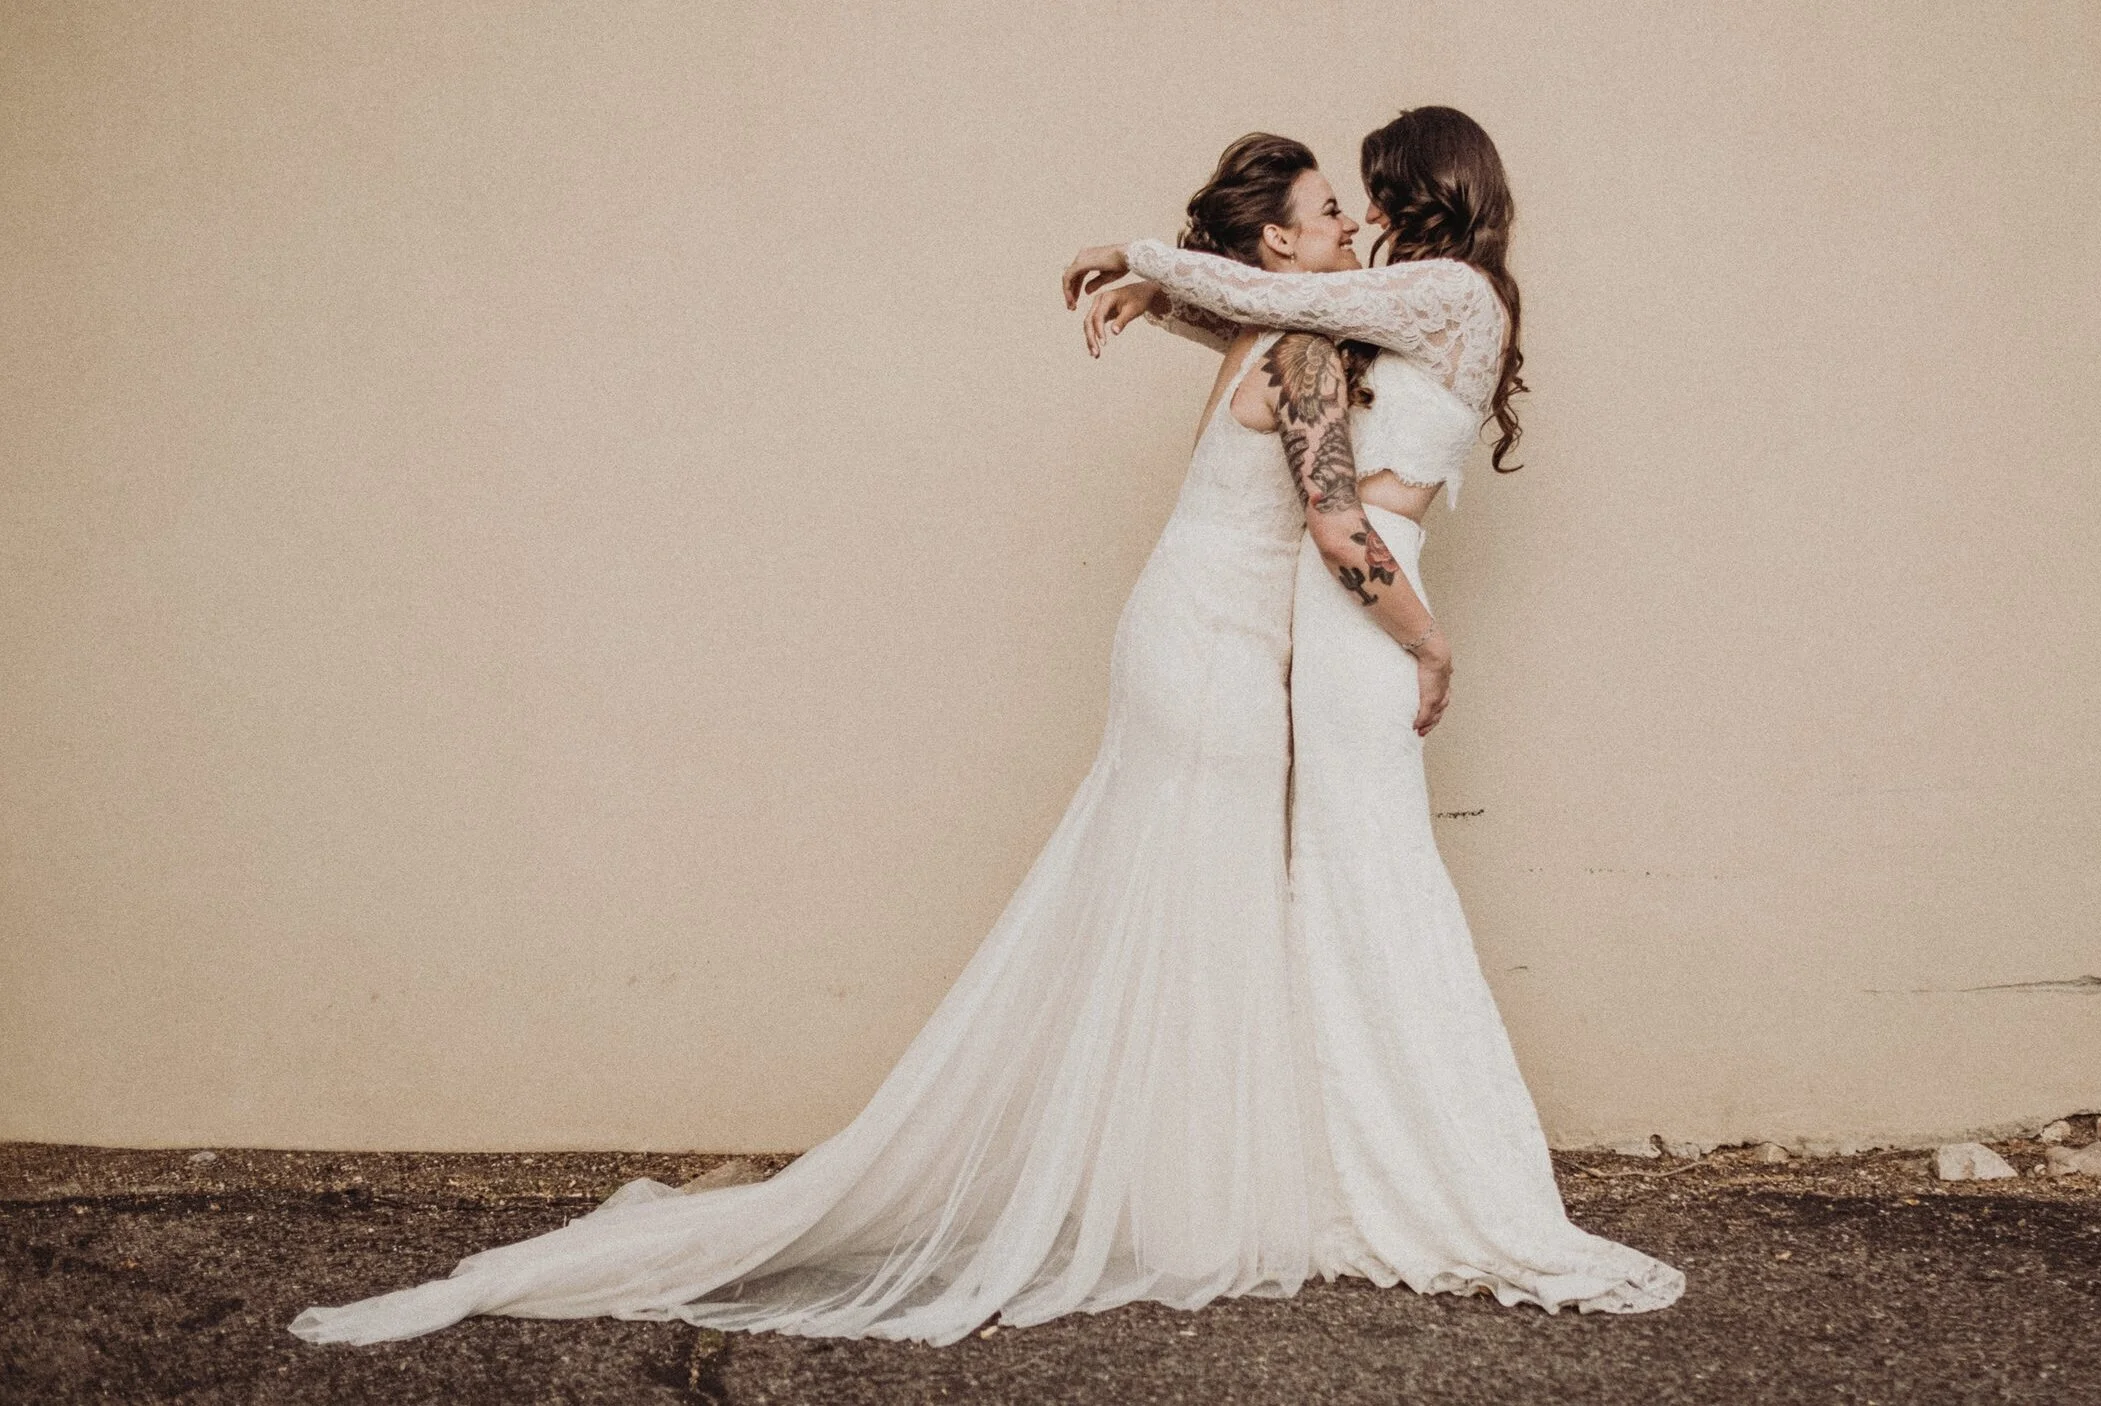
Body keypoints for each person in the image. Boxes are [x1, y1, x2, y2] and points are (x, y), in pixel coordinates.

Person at [292, 133, 1367, 1348]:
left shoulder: (1264, 332)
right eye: (1331, 210)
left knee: (1183, 897)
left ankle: (1175, 1190)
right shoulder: (1304, 350)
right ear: (1278, 239)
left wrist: (1155, 288)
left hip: (1180, 631)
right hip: (1212, 652)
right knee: (1202, 896)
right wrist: (1424, 646)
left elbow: (1245, 340)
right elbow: (1337, 527)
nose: (1351, 226)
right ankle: (1190, 1203)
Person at [1064, 106, 1686, 1313]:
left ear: (1422, 190)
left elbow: (1292, 316)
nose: (1364, 213)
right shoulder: (1412, 302)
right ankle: (1330, 1163)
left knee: (1369, 872)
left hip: (1365, 605)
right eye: (1344, 201)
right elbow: (1282, 326)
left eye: (1376, 190)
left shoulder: (1448, 292)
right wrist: (1167, 302)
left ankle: (1419, 1165)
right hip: (1336, 609)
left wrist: (1140, 261)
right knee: (1336, 874)